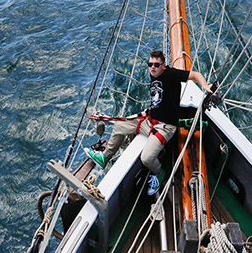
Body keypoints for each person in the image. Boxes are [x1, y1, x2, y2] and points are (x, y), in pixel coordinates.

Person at [85, 50, 213, 196]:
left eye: (156, 65)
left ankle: (158, 173)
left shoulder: (171, 74)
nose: (152, 67)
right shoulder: (154, 74)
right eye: (150, 64)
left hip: (165, 127)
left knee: (147, 158)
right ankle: (104, 158)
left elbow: (195, 75)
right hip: (149, 120)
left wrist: (205, 86)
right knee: (119, 126)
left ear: (163, 66)